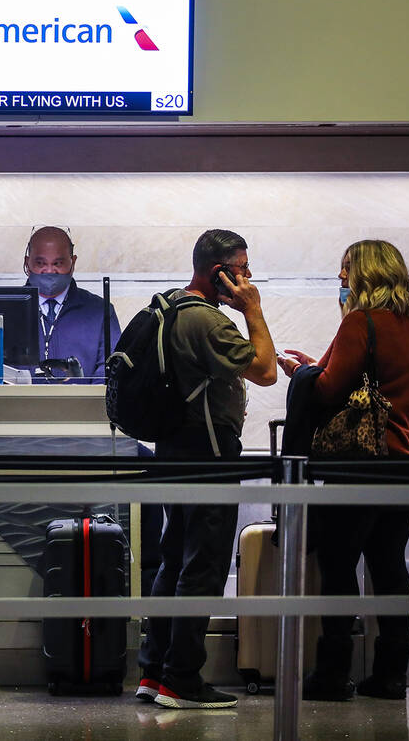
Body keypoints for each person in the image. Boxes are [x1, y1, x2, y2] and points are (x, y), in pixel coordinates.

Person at [278, 240, 409, 701]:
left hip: (362, 460)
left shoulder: (360, 322)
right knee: (389, 565)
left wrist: (303, 376)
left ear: (366, 273)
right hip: (408, 458)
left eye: (346, 270)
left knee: (339, 563)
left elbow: (327, 392)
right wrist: (316, 367)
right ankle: (391, 675)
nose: (341, 279)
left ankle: (331, 674)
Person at [137, 229, 277, 710]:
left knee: (174, 558)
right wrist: (253, 311)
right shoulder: (207, 321)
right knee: (204, 563)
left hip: (173, 448)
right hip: (209, 451)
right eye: (240, 267)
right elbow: (265, 370)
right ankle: (182, 679)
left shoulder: (169, 306)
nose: (247, 276)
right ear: (215, 270)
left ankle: (154, 672)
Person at [23, 226, 120, 382]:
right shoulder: (5, 311)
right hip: (17, 405)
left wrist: (86, 403)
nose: (49, 271)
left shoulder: (99, 311)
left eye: (58, 263)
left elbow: (112, 369)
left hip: (83, 406)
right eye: (40, 263)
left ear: (73, 262)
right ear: (27, 263)